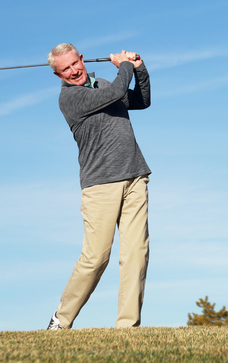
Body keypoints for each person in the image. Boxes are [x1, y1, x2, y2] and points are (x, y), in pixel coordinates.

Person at [45, 43, 151, 330]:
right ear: (58, 75)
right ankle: (61, 319)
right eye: (65, 69)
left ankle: (127, 327)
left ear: (81, 59)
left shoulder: (102, 83)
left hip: (135, 176)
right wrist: (124, 65)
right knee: (96, 258)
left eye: (74, 63)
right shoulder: (70, 98)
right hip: (100, 185)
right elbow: (117, 92)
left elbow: (141, 101)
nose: (73, 71)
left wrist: (139, 70)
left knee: (135, 254)